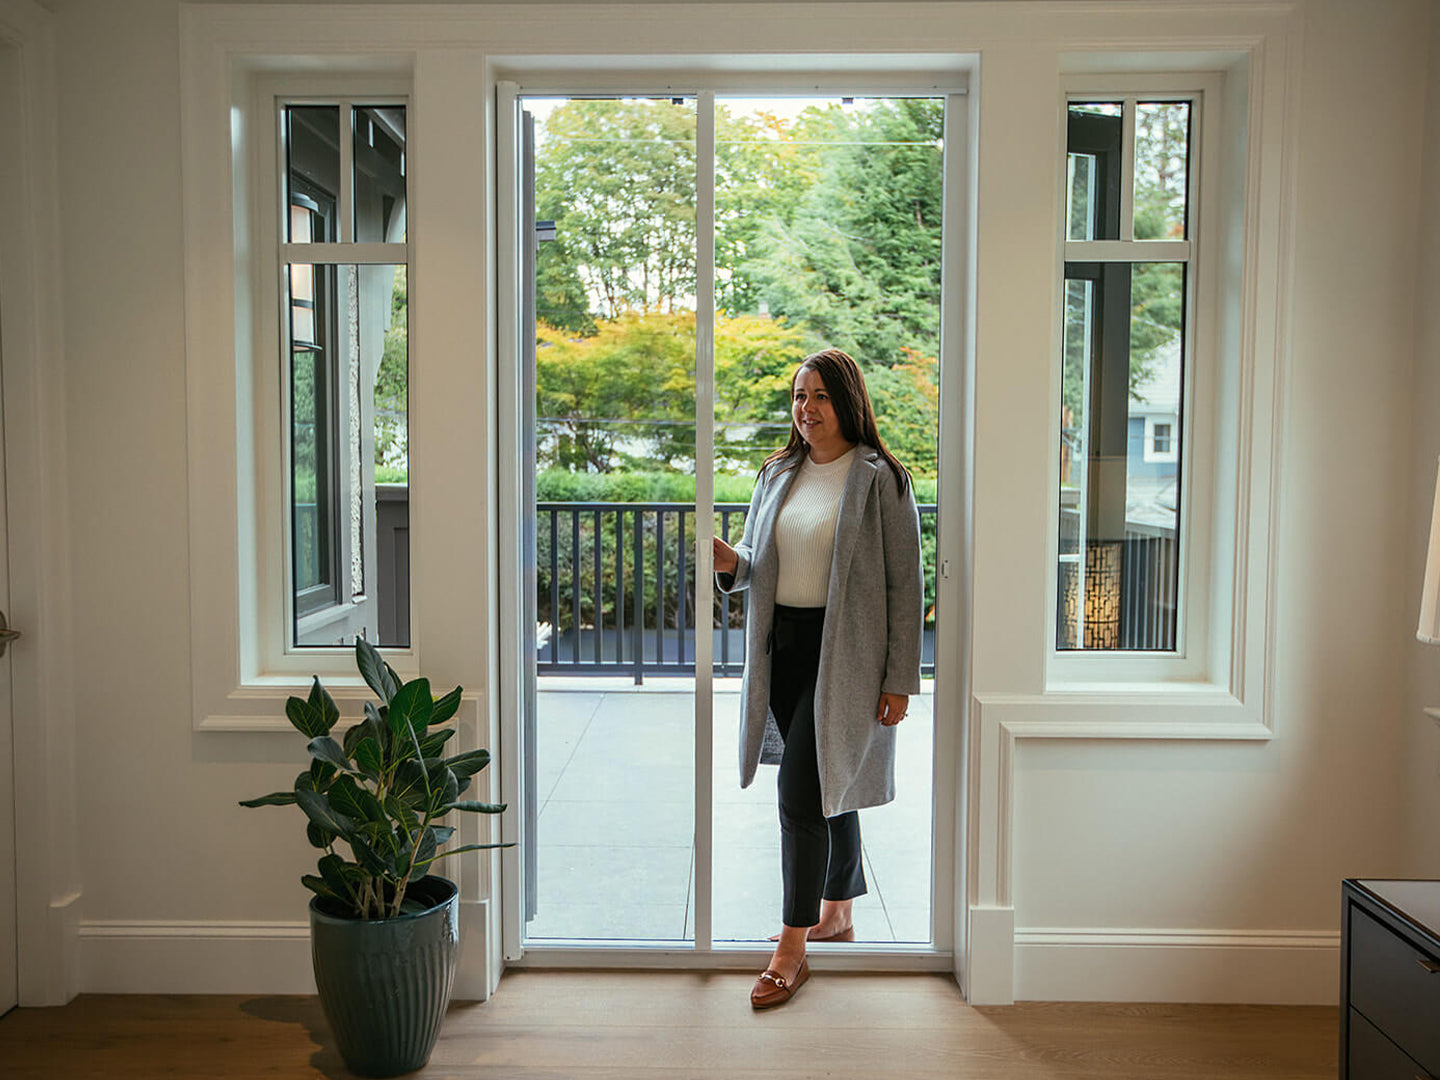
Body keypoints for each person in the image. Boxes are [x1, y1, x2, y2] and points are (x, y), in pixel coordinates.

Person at [713, 347, 923, 1009]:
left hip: (850, 658)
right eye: (800, 397)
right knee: (831, 781)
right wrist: (728, 561)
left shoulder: (880, 477)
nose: (808, 410)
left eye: (821, 397)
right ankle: (837, 912)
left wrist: (899, 681)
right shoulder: (778, 472)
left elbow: (904, 586)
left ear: (848, 401)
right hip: (786, 652)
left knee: (799, 794)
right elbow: (758, 564)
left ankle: (790, 949)